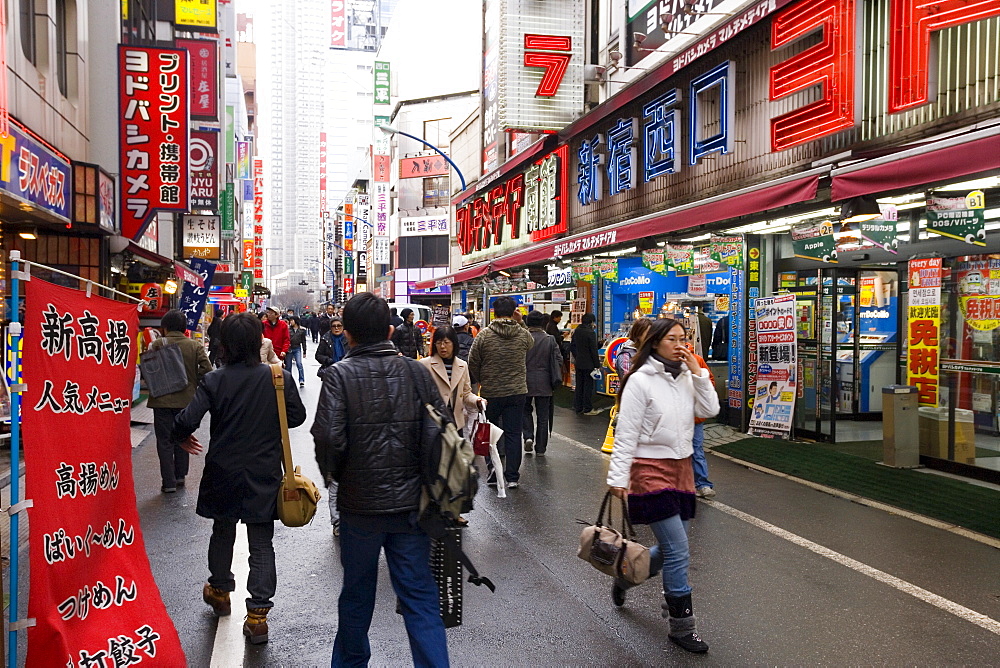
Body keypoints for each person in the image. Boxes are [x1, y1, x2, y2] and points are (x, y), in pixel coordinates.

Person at [311, 293, 451, 667]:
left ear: (349, 335)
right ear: (390, 331)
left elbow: (327, 437)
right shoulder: (418, 372)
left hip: (360, 507)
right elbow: (443, 430)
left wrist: (336, 476)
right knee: (420, 596)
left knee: (357, 596)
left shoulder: (339, 375)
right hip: (412, 507)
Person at [174, 312, 306, 645]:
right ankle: (258, 616)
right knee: (261, 542)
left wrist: (180, 436)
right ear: (256, 341)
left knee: (222, 530)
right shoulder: (278, 377)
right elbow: (297, 417)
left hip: (223, 470)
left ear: (225, 344)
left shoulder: (215, 380)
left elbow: (186, 419)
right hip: (263, 471)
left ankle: (219, 591)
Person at [606, 318, 719, 654]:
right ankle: (682, 626)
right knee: (679, 549)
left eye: (684, 338)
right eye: (672, 338)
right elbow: (626, 433)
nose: (680, 344)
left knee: (672, 547)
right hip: (648, 468)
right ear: (654, 342)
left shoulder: (687, 374)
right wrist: (618, 478)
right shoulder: (639, 380)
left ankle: (626, 575)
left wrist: (698, 375)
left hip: (681, 466)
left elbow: (710, 409)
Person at [468, 296, 534, 487]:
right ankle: (512, 477)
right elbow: (531, 344)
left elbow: (473, 361)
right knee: (514, 433)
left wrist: (483, 379)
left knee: (490, 432)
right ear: (515, 312)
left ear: (494, 312)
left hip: (491, 392)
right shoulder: (522, 334)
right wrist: (520, 322)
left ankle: (493, 473)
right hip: (517, 391)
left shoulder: (484, 335)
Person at [146, 309, 213, 493]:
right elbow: (207, 370)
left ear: (165, 327)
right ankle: (180, 476)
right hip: (186, 400)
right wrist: (192, 381)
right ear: (184, 328)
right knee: (183, 436)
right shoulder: (194, 345)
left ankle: (168, 483)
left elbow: (148, 368)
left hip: (161, 400)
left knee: (164, 441)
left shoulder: (156, 344)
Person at [419, 326, 483, 432]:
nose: (442, 347)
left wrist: (477, 400)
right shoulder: (425, 364)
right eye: (439, 343)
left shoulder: (462, 365)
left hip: (455, 423)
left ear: (454, 343)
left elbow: (466, 393)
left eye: (446, 342)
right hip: (433, 424)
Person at [522, 310, 562, 457]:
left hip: (524, 381)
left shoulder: (523, 338)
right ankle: (540, 448)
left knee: (525, 411)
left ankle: (528, 436)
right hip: (545, 382)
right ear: (543, 323)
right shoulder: (550, 339)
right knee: (543, 416)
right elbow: (559, 359)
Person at [691, 352, 717, 499]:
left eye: (681, 338)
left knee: (697, 450)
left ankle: (702, 484)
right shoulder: (661, 362)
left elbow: (710, 382)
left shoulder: (697, 360)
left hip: (695, 417)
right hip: (672, 418)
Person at [572, 313, 602, 415]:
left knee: (579, 385)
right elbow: (593, 350)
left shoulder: (577, 330)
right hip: (589, 363)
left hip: (579, 362)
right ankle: (588, 408)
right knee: (588, 386)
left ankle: (578, 407)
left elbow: (573, 346)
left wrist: (578, 356)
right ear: (591, 322)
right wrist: (597, 365)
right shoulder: (590, 333)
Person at [285, 316, 307, 388]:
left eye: (292, 320)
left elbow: (303, 341)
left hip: (297, 348)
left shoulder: (301, 330)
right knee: (288, 366)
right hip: (289, 349)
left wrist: (304, 351)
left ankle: (301, 380)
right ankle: (288, 380)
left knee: (299, 364)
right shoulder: (288, 330)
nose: (291, 322)